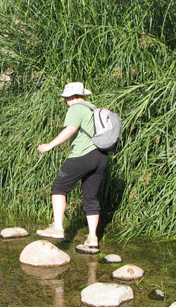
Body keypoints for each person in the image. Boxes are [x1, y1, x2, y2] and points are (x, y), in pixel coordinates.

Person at [36, 82, 109, 248]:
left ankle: (57, 227)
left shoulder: (75, 109)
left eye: (66, 98)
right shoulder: (93, 109)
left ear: (72, 97)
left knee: (59, 187)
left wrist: (49, 145)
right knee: (91, 197)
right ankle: (92, 238)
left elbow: (70, 129)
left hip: (83, 155)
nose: (65, 101)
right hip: (101, 157)